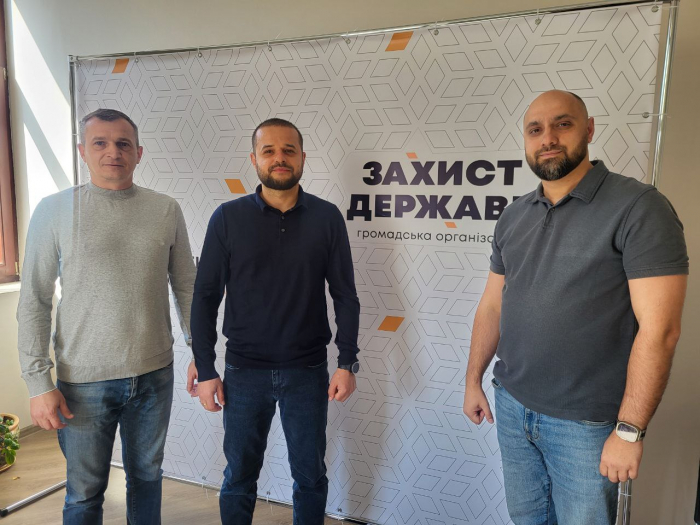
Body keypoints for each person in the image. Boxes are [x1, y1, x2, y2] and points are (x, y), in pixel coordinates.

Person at [462, 90, 688, 524]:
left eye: (562, 124)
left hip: (586, 426)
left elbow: (660, 330)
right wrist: (474, 380)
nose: (548, 138)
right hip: (512, 405)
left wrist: (629, 430)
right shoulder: (514, 215)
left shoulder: (639, 207)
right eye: (535, 129)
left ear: (588, 129)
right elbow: (491, 306)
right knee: (526, 519)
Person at [17, 109, 196, 525]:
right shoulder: (53, 211)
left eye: (123, 143)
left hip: (154, 376)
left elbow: (186, 286)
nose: (113, 152)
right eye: (100, 142)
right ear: (83, 151)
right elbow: (35, 300)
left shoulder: (165, 209)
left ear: (138, 153)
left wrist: (200, 352)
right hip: (83, 382)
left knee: (147, 479)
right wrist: (38, 382)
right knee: (84, 493)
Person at [188, 118, 360, 525]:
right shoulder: (227, 218)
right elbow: (205, 297)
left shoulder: (327, 217)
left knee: (310, 476)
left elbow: (345, 295)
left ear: (302, 158)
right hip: (243, 372)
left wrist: (347, 362)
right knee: (238, 477)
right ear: (254, 159)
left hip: (308, 371)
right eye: (269, 151)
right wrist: (207, 368)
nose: (279, 158)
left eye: (288, 150)